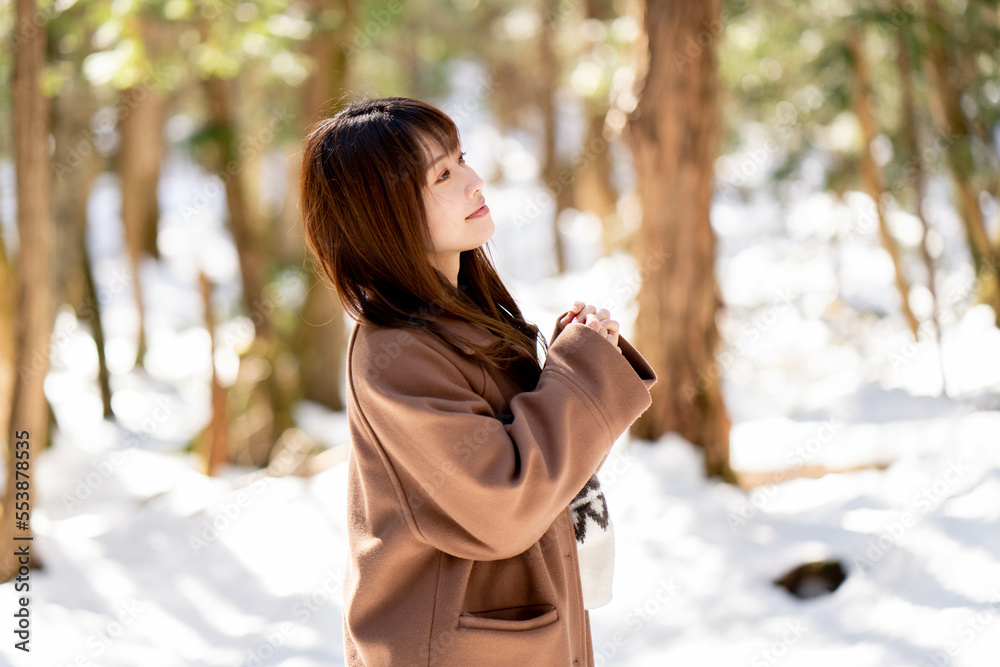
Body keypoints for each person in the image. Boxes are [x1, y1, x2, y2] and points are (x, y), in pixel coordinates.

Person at [299, 96, 657, 666]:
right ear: (382, 211)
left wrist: (572, 366)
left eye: (461, 159)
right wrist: (579, 377)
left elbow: (537, 466)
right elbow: (505, 504)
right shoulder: (396, 352)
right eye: (442, 174)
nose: (474, 180)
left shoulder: (460, 317)